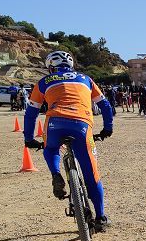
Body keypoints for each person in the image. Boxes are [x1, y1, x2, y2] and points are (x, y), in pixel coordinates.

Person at [23, 50, 113, 230]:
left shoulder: (43, 82)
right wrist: (107, 128)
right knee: (92, 176)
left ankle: (56, 175)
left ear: (50, 67)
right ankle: (101, 218)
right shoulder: (86, 79)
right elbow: (105, 105)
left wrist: (29, 139)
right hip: (82, 124)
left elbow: (31, 114)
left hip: (54, 123)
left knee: (50, 149)